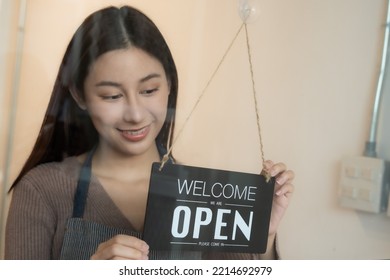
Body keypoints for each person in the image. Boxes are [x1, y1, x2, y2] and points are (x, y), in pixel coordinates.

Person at [5, 5, 294, 260]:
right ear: (80, 96)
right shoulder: (42, 191)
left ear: (169, 84)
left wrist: (261, 237)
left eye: (148, 90)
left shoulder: (207, 197)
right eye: (111, 95)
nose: (135, 114)